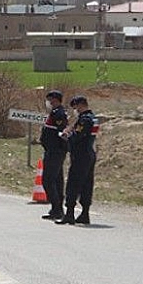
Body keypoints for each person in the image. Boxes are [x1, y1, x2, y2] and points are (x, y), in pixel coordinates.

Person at [56, 95, 99, 225]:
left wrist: (66, 136)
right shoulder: (94, 118)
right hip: (89, 153)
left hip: (81, 154)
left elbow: (77, 136)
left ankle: (69, 213)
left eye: (75, 107)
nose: (75, 110)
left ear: (81, 105)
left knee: (73, 183)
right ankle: (84, 213)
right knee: (87, 183)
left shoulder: (84, 120)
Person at [39, 90, 69, 220]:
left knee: (48, 180)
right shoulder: (54, 113)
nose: (49, 102)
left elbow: (61, 132)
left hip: (55, 151)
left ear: (55, 100)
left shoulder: (59, 114)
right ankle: (56, 209)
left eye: (50, 100)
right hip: (52, 150)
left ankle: (57, 208)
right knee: (56, 180)